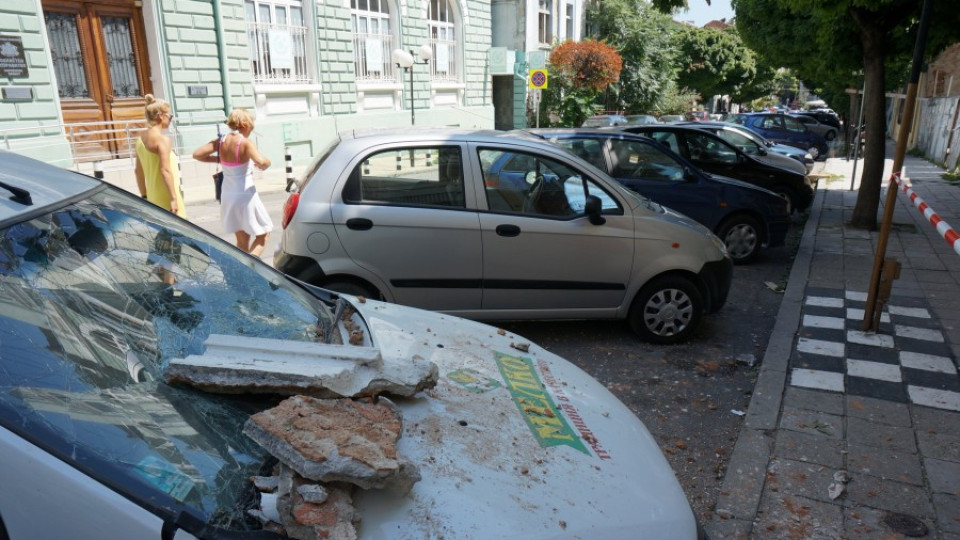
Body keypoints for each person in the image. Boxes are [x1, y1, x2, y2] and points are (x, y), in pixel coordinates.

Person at [193, 109, 273, 256]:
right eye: (251, 126)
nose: (252, 129)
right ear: (244, 125)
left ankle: (241, 271)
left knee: (242, 241)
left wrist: (220, 160)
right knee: (264, 234)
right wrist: (267, 162)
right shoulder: (245, 142)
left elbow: (197, 154)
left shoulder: (221, 140)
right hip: (245, 195)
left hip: (228, 195)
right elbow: (261, 162)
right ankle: (250, 268)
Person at [135, 94, 187, 218]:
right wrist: (173, 198)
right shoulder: (162, 140)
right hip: (167, 196)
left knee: (164, 236)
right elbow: (165, 171)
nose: (171, 119)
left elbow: (138, 171)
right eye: (169, 115)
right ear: (160, 115)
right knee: (180, 234)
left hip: (153, 197)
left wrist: (144, 196)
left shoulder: (140, 140)